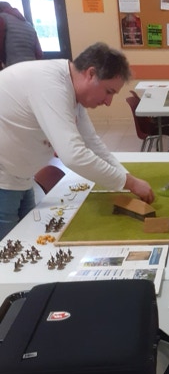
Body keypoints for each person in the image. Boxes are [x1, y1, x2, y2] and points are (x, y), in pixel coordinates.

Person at [0, 41, 154, 239]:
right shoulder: (51, 85)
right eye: (108, 92)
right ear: (91, 74)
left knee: (24, 241)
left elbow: (92, 143)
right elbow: (73, 155)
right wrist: (129, 183)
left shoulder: (70, 89)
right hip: (4, 180)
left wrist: (126, 176)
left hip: (20, 177)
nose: (108, 102)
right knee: (8, 251)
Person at [0, 1, 43, 68]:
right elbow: (39, 54)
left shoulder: (2, 18)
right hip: (32, 67)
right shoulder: (29, 25)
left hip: (12, 67)